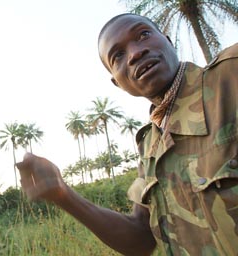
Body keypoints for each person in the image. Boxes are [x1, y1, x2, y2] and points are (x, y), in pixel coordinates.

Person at [16, 13, 238, 256]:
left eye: (143, 35)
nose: (135, 53)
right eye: (118, 56)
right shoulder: (150, 144)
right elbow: (141, 239)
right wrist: (63, 195)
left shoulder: (229, 75)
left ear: (168, 41)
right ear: (118, 82)